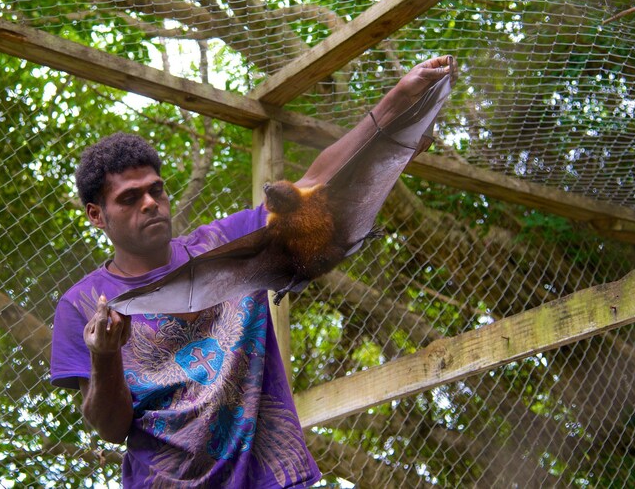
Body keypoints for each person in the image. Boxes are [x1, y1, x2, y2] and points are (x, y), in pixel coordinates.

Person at [50, 56, 454, 487]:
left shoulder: (225, 243)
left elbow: (315, 184)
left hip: (270, 475)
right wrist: (105, 355)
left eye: (156, 190)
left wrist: (395, 101)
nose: (150, 203)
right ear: (97, 215)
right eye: (129, 199)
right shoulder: (82, 304)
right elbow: (110, 428)